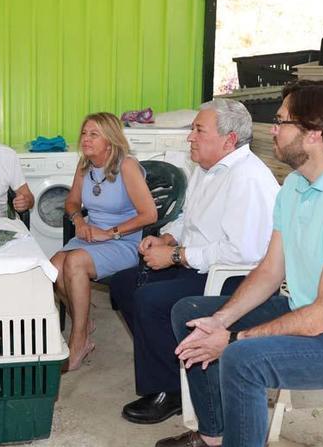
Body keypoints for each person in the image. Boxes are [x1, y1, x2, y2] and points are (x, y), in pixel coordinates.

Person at [156, 80, 323, 447]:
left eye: (281, 123)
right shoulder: (295, 185)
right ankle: (214, 435)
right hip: (315, 314)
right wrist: (219, 321)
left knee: (243, 359)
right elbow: (269, 271)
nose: (272, 131)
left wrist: (231, 339)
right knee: (192, 313)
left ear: (313, 133)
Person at [109, 99, 279, 424]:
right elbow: (189, 219)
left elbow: (242, 253)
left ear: (229, 140)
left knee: (150, 300)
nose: (191, 137)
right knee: (123, 284)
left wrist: (176, 256)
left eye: (199, 130)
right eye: (192, 129)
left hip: (233, 279)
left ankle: (169, 389)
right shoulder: (206, 168)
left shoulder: (248, 178)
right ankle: (175, 366)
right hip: (199, 264)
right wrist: (168, 238)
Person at [51, 112, 157, 371]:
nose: (85, 139)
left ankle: (79, 343)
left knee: (74, 263)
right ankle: (83, 321)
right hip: (90, 236)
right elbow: (72, 201)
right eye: (84, 133)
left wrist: (110, 233)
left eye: (93, 134)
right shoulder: (85, 165)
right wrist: (79, 222)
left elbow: (149, 214)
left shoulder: (127, 166)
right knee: (52, 267)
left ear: (110, 140)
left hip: (123, 242)